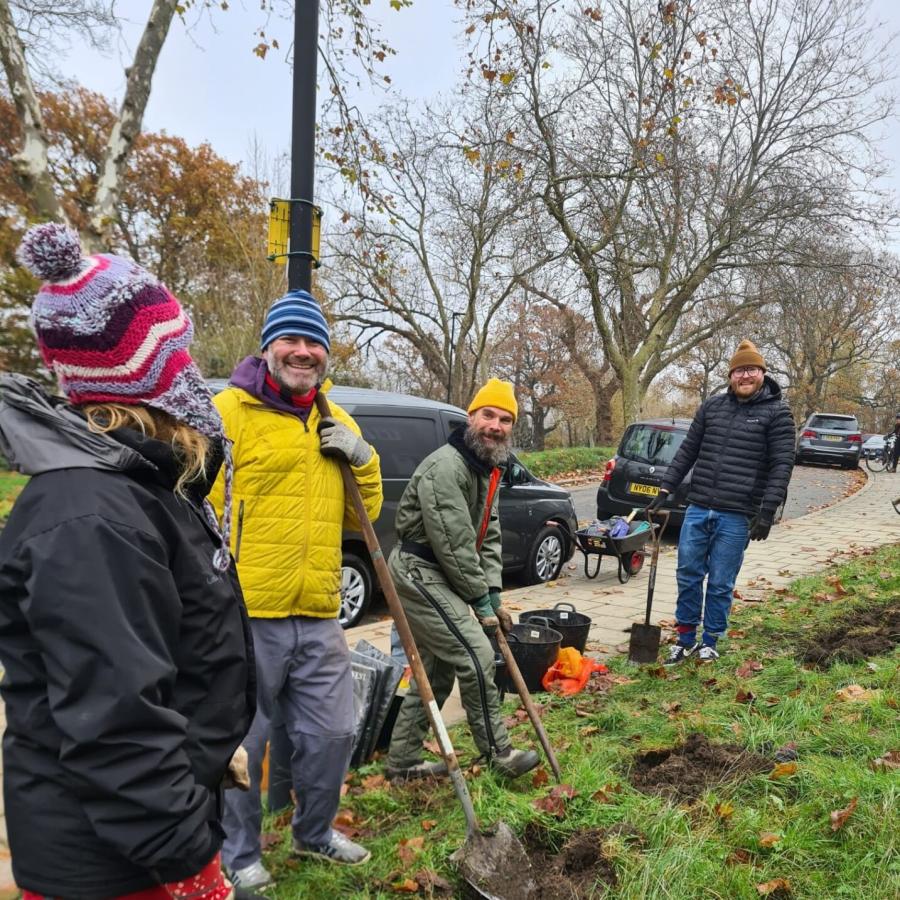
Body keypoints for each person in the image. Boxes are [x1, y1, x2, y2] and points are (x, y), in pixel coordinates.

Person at [0, 224, 256, 899]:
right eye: (176, 350)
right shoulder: (91, 516)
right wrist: (191, 863)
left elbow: (164, 659)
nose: (190, 369)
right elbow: (115, 723)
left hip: (135, 834)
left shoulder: (141, 488)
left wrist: (205, 747)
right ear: (143, 371)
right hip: (112, 863)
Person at [210, 290, 383, 889]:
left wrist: (361, 458)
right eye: (292, 340)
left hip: (318, 610)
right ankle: (238, 854)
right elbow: (196, 507)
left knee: (333, 732)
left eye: (314, 343)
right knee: (242, 745)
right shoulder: (227, 412)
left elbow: (364, 517)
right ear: (268, 348)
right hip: (245, 612)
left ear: (326, 355)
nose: (303, 352)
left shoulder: (338, 421)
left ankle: (313, 833)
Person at [385, 378, 540, 781]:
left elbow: (487, 534)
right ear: (471, 417)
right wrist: (479, 602)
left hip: (444, 573)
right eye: (488, 415)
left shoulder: (486, 469)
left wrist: (492, 593)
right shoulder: (446, 468)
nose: (496, 425)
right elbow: (453, 545)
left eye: (505, 420)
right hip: (421, 572)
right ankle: (498, 753)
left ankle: (402, 763)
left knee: (437, 671)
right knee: (476, 655)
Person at [648, 340, 795, 664]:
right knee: (687, 574)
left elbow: (782, 465)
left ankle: (710, 640)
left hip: (737, 515)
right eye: (739, 370)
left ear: (762, 373)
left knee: (720, 582)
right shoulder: (712, 407)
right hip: (698, 506)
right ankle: (684, 639)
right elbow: (687, 450)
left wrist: (767, 512)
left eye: (751, 369)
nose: (745, 376)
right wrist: (664, 489)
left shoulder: (778, 412)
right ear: (731, 375)